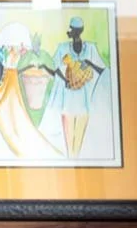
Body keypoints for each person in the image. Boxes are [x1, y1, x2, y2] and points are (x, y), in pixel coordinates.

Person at [44, 17, 107, 158]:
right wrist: (65, 79)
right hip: (68, 102)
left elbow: (102, 69)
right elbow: (53, 68)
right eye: (71, 29)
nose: (71, 32)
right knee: (69, 145)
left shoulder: (90, 48)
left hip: (85, 102)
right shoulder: (63, 48)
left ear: (80, 31)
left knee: (78, 144)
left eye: (73, 29)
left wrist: (89, 62)